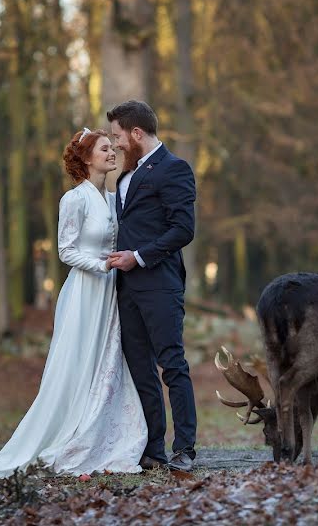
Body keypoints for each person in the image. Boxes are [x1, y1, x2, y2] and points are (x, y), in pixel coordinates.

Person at [0, 128, 147, 478]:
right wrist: (101, 264)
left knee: (108, 360)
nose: (113, 152)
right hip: (85, 291)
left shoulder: (114, 197)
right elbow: (66, 250)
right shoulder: (74, 199)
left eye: (112, 148)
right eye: (105, 149)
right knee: (78, 362)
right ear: (87, 159)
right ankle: (65, 433)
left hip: (110, 291)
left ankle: (104, 435)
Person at [106, 100, 198, 472]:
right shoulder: (125, 176)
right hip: (126, 290)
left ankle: (186, 449)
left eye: (117, 136)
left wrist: (139, 257)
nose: (115, 144)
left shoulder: (175, 169)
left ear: (137, 133)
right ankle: (154, 449)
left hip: (160, 286)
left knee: (172, 365)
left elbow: (183, 229)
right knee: (140, 371)